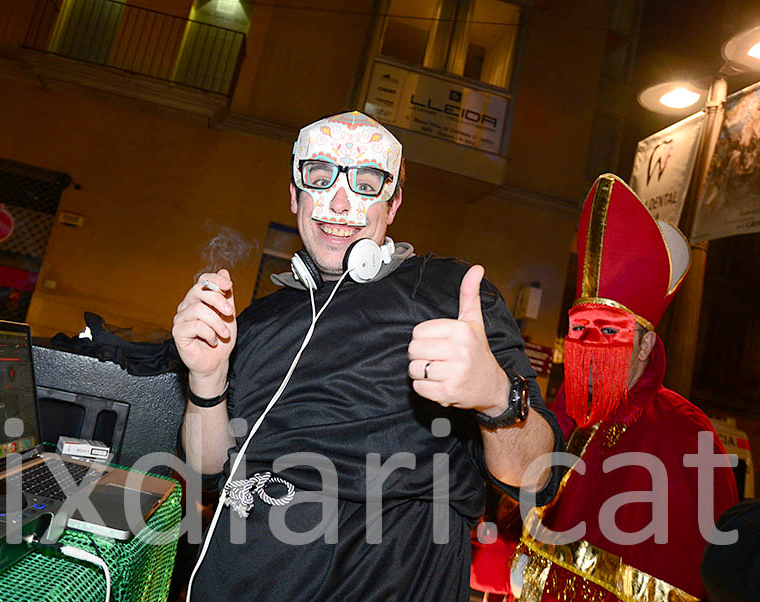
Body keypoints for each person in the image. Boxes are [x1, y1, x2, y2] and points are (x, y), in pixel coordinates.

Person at [173, 111, 565, 601]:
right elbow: (209, 474)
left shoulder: (448, 294)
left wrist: (495, 398)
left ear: (393, 204)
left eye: (365, 182)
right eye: (320, 178)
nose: (338, 204)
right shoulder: (254, 321)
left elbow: (539, 475)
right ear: (295, 195)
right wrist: (206, 379)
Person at [495, 174, 740, 602]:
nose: (589, 347)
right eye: (579, 328)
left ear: (646, 343)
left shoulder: (685, 436)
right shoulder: (567, 413)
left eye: (609, 330)